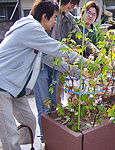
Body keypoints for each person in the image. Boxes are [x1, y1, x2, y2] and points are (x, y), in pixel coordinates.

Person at [0, 0, 87, 149]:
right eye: (54, 17)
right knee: (9, 133)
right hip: (3, 85)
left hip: (14, 87)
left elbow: (50, 59)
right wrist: (85, 63)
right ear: (44, 16)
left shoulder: (34, 31)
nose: (55, 21)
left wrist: (77, 72)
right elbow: (56, 49)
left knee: (29, 121)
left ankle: (26, 146)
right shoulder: (31, 28)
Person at [33, 0, 100, 143]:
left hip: (57, 65)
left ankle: (55, 139)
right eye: (72, 2)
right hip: (42, 64)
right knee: (44, 106)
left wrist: (98, 52)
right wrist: (79, 69)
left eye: (75, 4)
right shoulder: (45, 13)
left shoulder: (68, 18)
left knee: (54, 105)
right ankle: (46, 141)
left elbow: (81, 39)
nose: (73, 7)